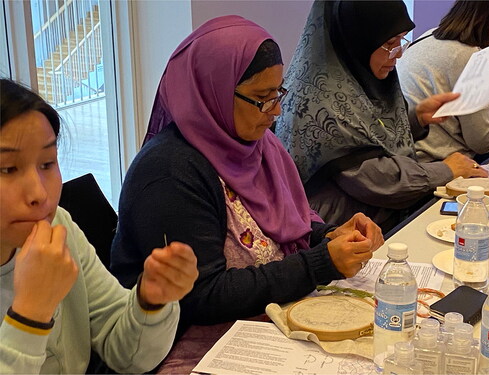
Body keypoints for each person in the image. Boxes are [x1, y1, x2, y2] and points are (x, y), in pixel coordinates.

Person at [110, 15, 384, 339]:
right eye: (262, 97)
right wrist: (321, 263)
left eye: (277, 93)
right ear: (214, 90)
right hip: (191, 340)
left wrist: (329, 237)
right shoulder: (170, 173)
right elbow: (203, 297)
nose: (276, 110)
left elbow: (282, 231)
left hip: (260, 318)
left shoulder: (254, 145)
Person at [0, 79, 198, 374]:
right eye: (8, 169)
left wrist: (150, 300)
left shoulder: (59, 226)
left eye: (47, 163)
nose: (39, 194)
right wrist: (30, 314)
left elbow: (128, 355)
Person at [275, 0, 489, 234]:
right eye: (389, 43)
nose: (397, 54)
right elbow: (378, 181)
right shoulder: (323, 100)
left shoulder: (353, 76)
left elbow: (366, 136)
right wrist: (447, 170)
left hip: (377, 221)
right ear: (359, 39)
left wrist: (416, 118)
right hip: (343, 232)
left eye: (401, 41)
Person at [398, 0, 489, 163]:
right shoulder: (470, 56)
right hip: (435, 162)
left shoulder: (430, 35)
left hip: (407, 155)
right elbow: (484, 141)